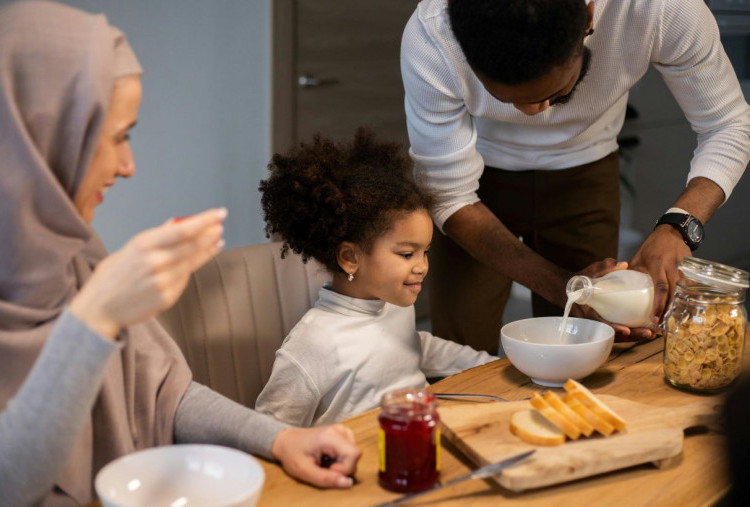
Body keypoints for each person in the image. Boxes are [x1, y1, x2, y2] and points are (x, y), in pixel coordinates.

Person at [0, 2, 360, 505]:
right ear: (39, 136)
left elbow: (164, 394)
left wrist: (279, 439)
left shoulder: (74, 246)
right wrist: (96, 316)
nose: (128, 166)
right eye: (117, 137)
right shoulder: (88, 274)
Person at [400, 0, 750, 354]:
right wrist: (566, 285)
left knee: (587, 344)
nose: (533, 114)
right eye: (503, 98)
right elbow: (448, 192)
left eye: (555, 95)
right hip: (474, 186)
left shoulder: (660, 9)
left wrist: (678, 226)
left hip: (587, 170)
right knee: (458, 347)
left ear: (588, 19)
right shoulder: (433, 34)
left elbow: (728, 124)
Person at [254, 129, 496, 427]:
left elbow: (412, 346)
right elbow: (269, 430)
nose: (422, 266)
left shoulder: (394, 306)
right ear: (351, 258)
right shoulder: (315, 342)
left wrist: (488, 365)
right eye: (407, 254)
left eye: (426, 252)